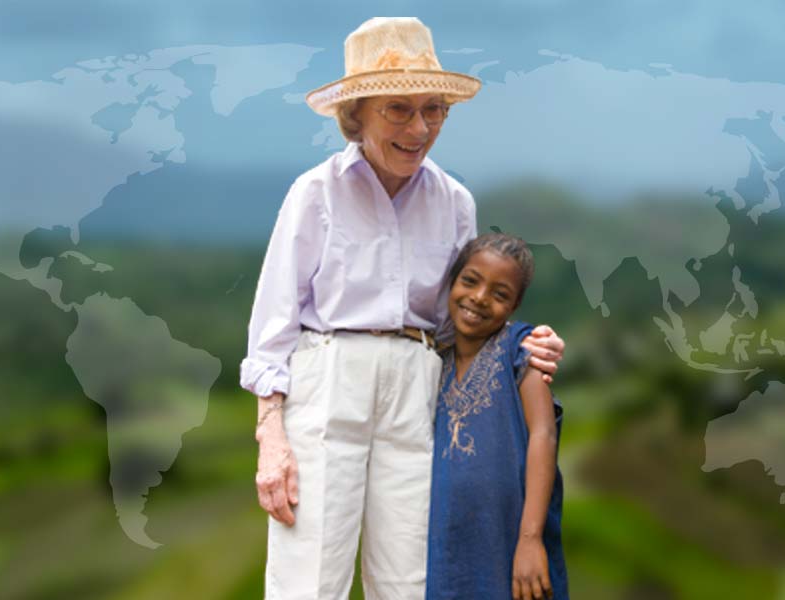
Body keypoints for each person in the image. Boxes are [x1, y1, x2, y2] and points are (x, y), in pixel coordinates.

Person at [240, 17, 565, 599]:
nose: (420, 128)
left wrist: (525, 343)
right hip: (328, 375)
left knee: (414, 576)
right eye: (399, 110)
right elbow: (272, 324)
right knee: (307, 577)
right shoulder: (314, 193)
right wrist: (272, 438)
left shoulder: (454, 201)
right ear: (356, 113)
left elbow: (464, 321)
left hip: (418, 386)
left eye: (434, 109)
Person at [426, 233, 568, 600]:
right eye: (470, 281)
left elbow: (543, 435)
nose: (479, 298)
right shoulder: (433, 363)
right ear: (452, 283)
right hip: (449, 552)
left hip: (511, 543)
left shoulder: (521, 353)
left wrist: (530, 540)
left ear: (515, 306)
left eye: (500, 294)